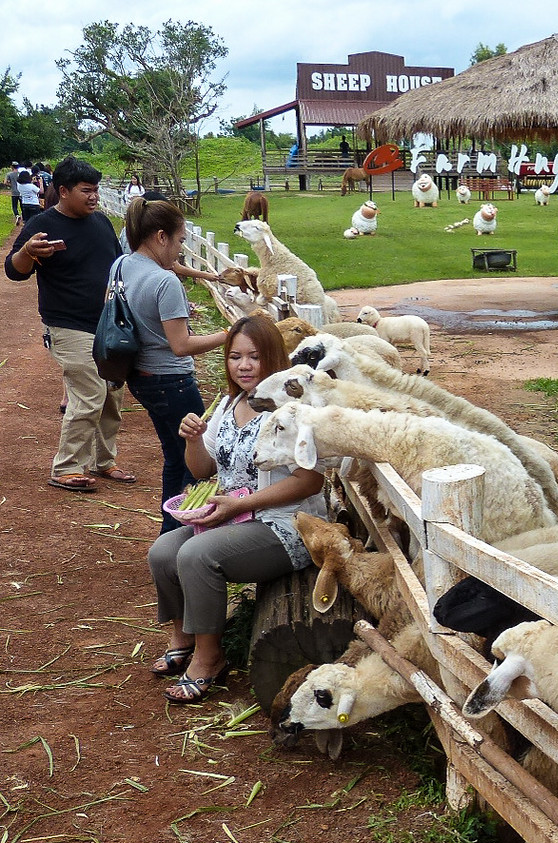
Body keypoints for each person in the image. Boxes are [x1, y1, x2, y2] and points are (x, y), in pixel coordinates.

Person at [147, 314, 326, 703]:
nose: (243, 365)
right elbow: (203, 470)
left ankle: (210, 658)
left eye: (255, 357)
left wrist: (239, 505)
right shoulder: (230, 403)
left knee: (197, 554)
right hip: (233, 516)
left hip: (285, 524)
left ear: (274, 359)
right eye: (235, 356)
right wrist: (193, 441)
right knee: (162, 551)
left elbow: (311, 480)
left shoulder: (289, 410)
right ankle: (184, 635)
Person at [4, 156, 130, 493]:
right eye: (86, 190)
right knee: (89, 392)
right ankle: (67, 467)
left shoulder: (101, 223)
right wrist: (28, 252)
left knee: (112, 395)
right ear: (63, 191)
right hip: (67, 324)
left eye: (96, 190)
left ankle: (105, 462)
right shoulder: (42, 225)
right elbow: (14, 271)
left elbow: (119, 268)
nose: (94, 197)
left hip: (107, 324)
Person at [121, 197, 232, 533]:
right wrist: (229, 334)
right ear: (160, 237)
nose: (180, 250)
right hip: (172, 381)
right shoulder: (164, 282)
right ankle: (183, 536)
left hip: (139, 376)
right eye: (180, 240)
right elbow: (181, 345)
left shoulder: (123, 265)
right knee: (194, 465)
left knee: (173, 455)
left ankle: (168, 532)